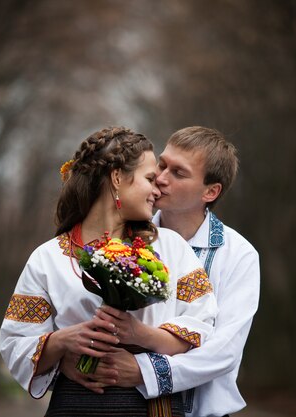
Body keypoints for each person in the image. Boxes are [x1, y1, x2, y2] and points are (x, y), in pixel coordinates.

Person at [0, 127, 219, 417]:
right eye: (150, 179)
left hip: (151, 407)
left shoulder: (172, 248)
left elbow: (202, 329)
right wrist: (63, 341)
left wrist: (139, 334)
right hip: (77, 405)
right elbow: (16, 343)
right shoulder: (47, 258)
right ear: (117, 177)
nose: (157, 190)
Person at [61, 126, 260, 417]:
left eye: (178, 173)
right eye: (161, 165)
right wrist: (65, 359)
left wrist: (144, 371)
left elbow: (224, 352)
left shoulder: (238, 255)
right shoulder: (119, 241)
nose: (161, 179)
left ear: (211, 191)